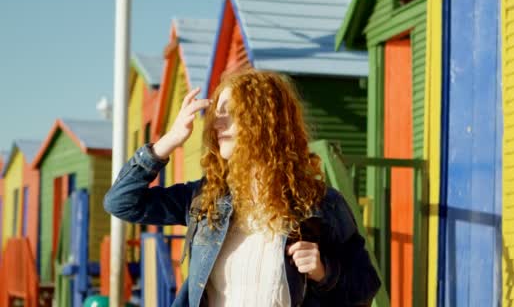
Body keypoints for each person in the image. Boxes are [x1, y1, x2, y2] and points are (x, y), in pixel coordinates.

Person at [104, 69, 381, 306]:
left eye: (231, 113)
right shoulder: (206, 198)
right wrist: (170, 140)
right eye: (216, 114)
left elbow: (365, 288)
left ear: (265, 123)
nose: (217, 123)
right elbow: (122, 202)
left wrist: (324, 272)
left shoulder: (321, 203)